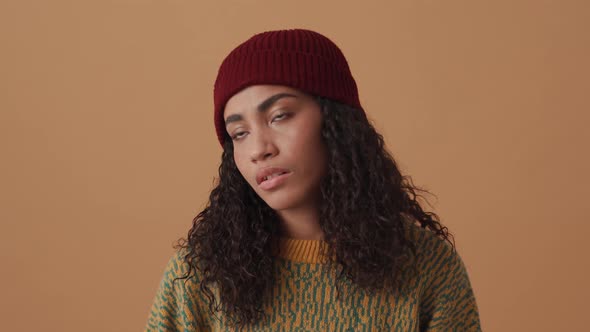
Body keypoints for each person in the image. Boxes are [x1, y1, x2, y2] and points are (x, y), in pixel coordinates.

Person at [144, 28, 481, 331]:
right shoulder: (198, 278)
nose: (258, 149)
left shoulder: (428, 268)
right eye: (239, 133)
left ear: (336, 122)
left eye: (279, 116)